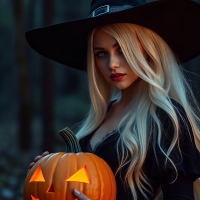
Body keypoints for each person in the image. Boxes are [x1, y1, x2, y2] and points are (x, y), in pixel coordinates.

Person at [26, 0, 200, 199]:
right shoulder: (102, 116)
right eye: (101, 54)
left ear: (147, 51)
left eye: (122, 49)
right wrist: (50, 171)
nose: (112, 64)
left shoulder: (166, 118)